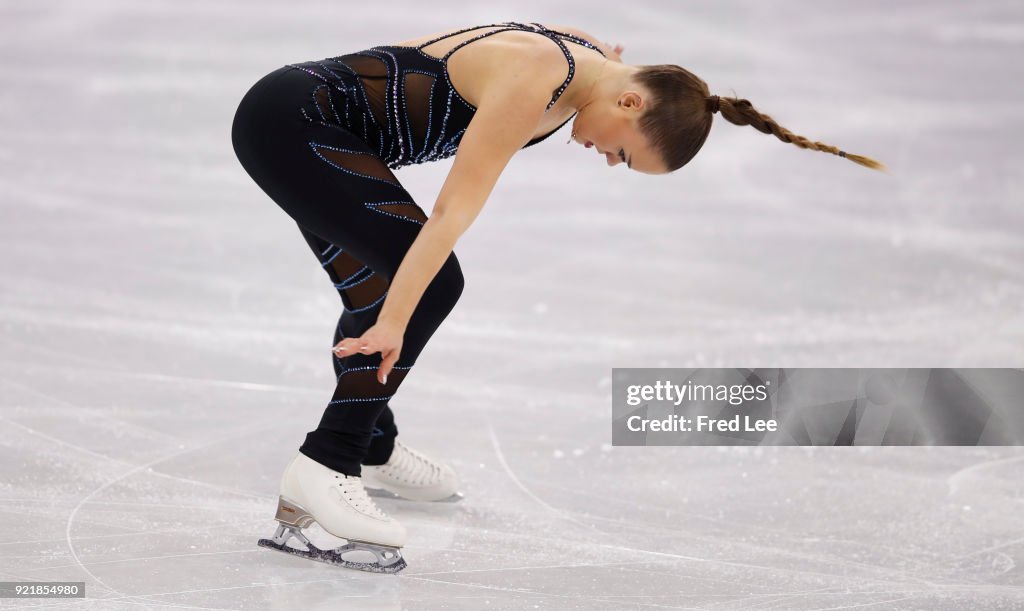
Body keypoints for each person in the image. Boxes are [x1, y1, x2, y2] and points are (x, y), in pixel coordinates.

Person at [230, 20, 886, 573]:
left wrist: (393, 305)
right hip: (294, 124)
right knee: (429, 282)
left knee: (384, 280)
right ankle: (325, 467)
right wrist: (399, 319)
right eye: (624, 156)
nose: (607, 161)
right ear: (630, 105)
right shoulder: (537, 75)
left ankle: (370, 442)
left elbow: (597, 59)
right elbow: (452, 212)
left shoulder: (586, 64)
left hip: (316, 128)